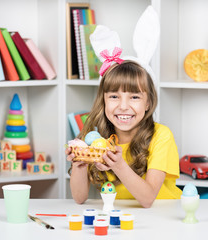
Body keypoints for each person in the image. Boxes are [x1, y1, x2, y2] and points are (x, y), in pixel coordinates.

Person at [66, 60, 182, 208]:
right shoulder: (97, 138)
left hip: (164, 214)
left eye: (134, 97)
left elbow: (147, 200)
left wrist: (118, 165)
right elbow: (79, 198)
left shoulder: (160, 135)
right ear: (104, 101)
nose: (123, 106)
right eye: (114, 97)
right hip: (123, 215)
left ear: (148, 103)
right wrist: (79, 165)